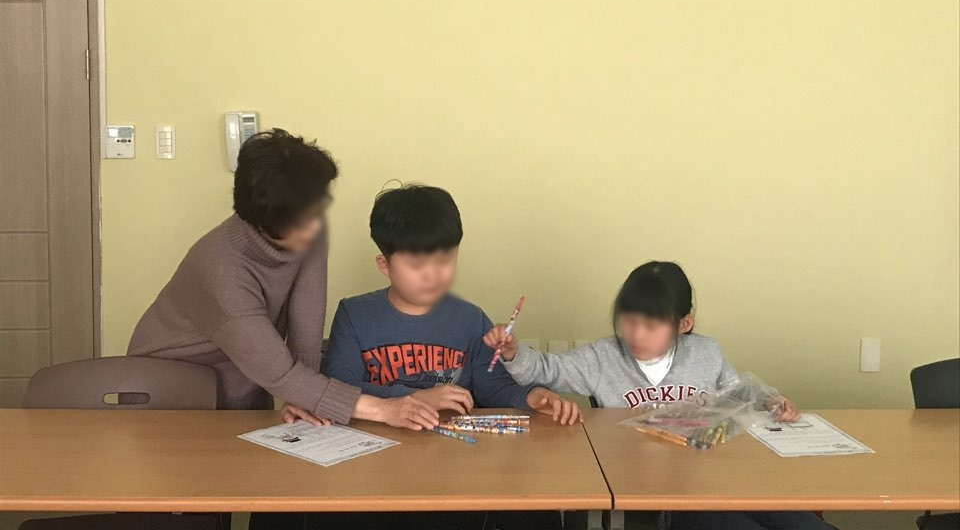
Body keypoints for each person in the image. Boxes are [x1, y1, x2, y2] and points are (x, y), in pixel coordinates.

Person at [127, 129, 439, 433]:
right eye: (305, 220)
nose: (317, 227)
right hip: (169, 395)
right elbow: (280, 372)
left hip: (243, 386)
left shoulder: (306, 226)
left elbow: (306, 325)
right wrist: (384, 409)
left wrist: (304, 397)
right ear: (268, 219)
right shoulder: (221, 273)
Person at [484, 260, 831, 530]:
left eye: (651, 326)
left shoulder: (706, 354)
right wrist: (514, 352)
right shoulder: (604, 358)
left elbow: (739, 394)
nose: (635, 334)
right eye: (628, 321)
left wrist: (773, 401)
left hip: (718, 481)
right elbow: (545, 369)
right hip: (665, 502)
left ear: (684, 324)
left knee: (799, 521)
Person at [321, 184, 580, 530]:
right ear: (384, 265)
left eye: (445, 260)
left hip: (454, 468)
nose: (433, 274)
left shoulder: (469, 319)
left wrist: (530, 396)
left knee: (530, 505)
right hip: (376, 465)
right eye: (417, 264)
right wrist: (413, 399)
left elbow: (492, 386)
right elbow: (338, 387)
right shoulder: (355, 314)